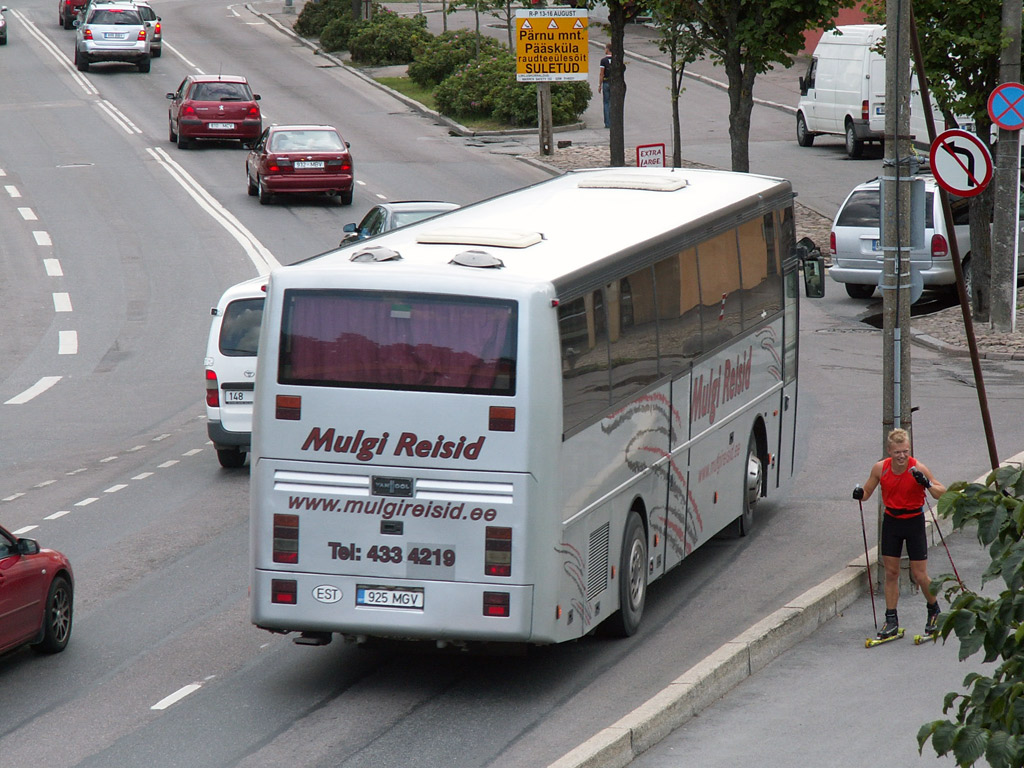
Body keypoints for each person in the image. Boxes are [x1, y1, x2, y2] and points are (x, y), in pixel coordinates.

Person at [853, 428, 946, 639]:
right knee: (891, 572)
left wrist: (927, 483)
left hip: (914, 521)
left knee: (919, 574)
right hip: (892, 522)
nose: (902, 456)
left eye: (905, 451)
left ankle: (934, 611)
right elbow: (866, 492)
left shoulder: (917, 468)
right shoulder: (880, 468)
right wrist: (859, 493)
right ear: (889, 451)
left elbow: (942, 492)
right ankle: (891, 619)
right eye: (897, 452)